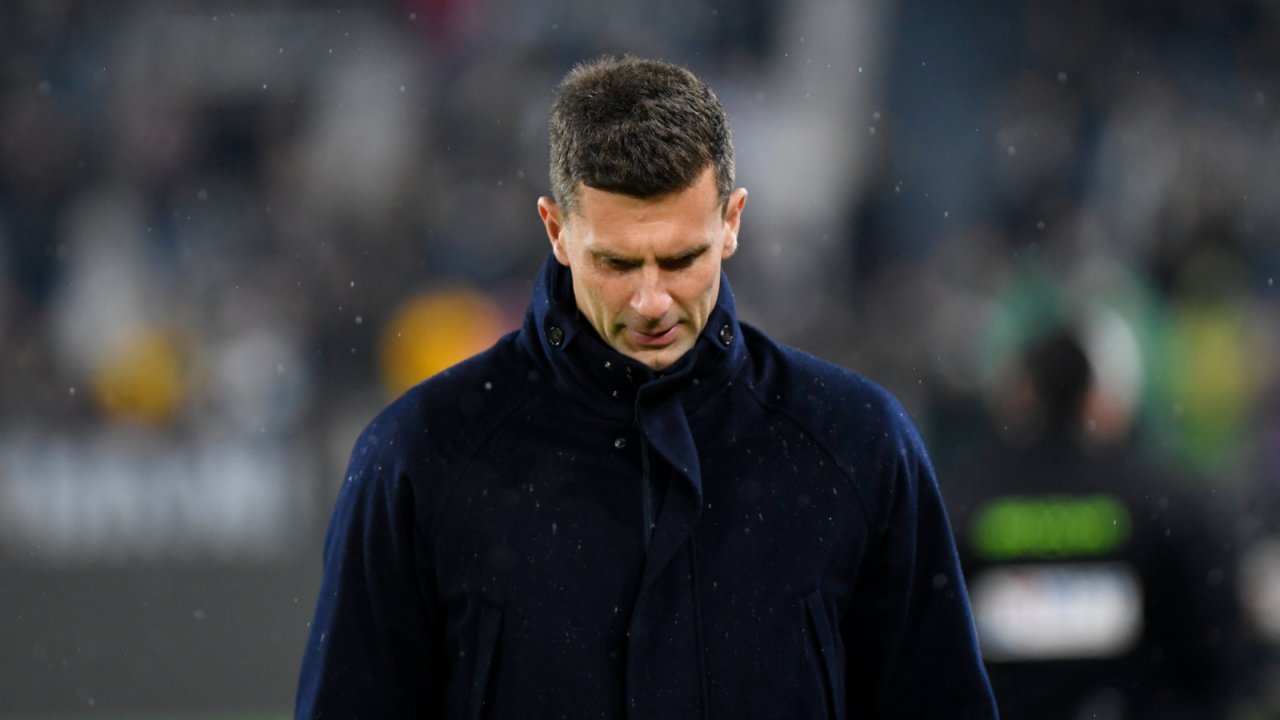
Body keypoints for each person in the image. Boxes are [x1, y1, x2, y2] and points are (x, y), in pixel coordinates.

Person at [296, 55, 997, 719]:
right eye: (617, 263)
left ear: (732, 222)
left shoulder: (858, 443)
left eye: (681, 259)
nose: (652, 302)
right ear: (556, 230)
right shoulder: (418, 456)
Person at [946, 327, 1241, 719]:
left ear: (1019, 396)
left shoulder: (965, 503)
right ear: (1092, 398)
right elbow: (1214, 643)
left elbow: (928, 647)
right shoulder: (1155, 501)